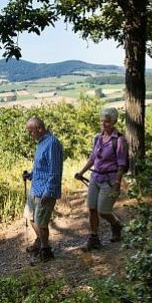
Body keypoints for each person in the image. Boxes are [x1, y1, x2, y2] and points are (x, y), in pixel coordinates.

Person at [74, 107, 127, 251]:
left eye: (107, 121)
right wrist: (81, 172)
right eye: (102, 121)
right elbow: (92, 158)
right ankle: (94, 238)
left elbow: (122, 164)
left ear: (114, 122)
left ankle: (116, 224)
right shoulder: (97, 138)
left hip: (110, 179)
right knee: (92, 208)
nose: (104, 124)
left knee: (103, 210)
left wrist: (117, 183)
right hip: (95, 177)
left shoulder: (119, 140)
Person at [23, 117, 63, 263]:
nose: (30, 135)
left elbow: (54, 171)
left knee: (41, 223)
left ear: (39, 128)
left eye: (30, 131)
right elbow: (41, 168)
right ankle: (40, 242)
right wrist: (30, 175)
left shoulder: (52, 143)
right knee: (31, 217)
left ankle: (46, 251)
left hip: (45, 191)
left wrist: (48, 192)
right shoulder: (41, 143)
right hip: (35, 188)